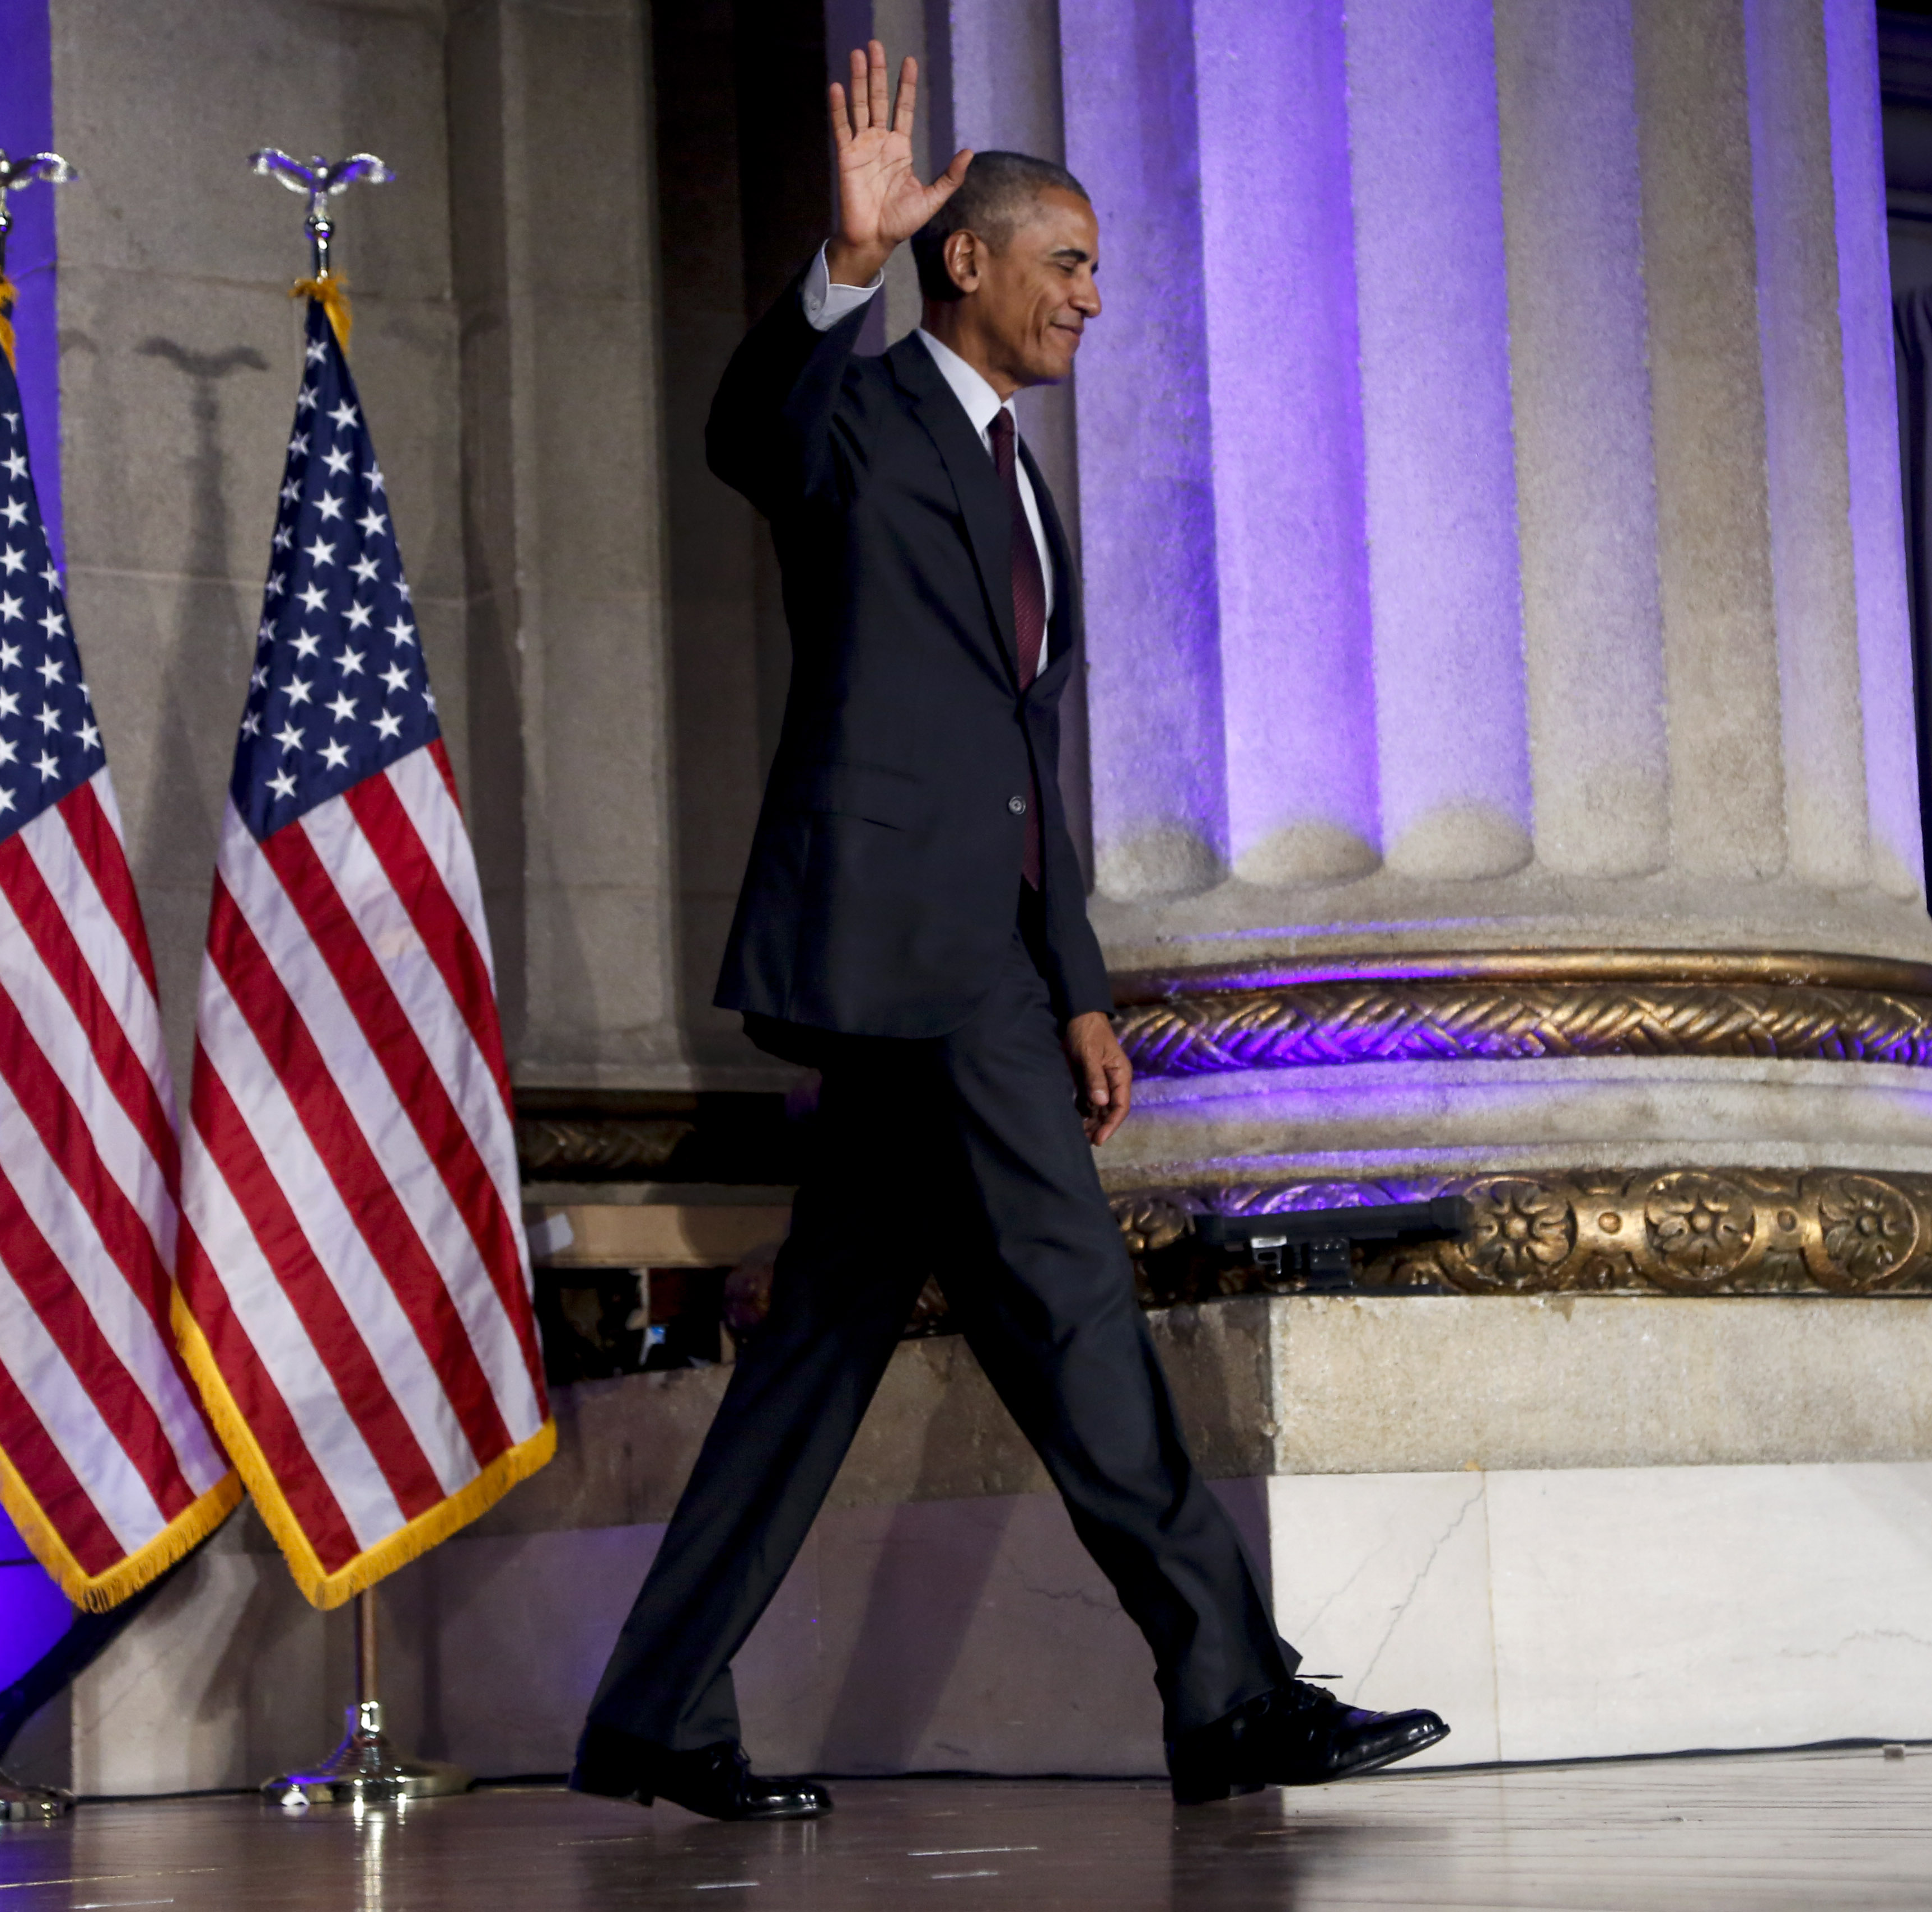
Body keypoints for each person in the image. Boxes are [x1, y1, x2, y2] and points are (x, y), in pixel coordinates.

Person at [568, 42, 1448, 1821]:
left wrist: (1079, 994)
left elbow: (1022, 763)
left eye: (1099, 269)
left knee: (818, 1349)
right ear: (964, 259)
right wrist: (843, 259)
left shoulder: (1024, 484)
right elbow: (752, 430)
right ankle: (1229, 1694)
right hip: (897, 950)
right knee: (1070, 1307)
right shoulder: (863, 411)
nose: (1094, 300)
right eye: (1067, 260)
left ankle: (653, 1712)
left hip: (977, 963)